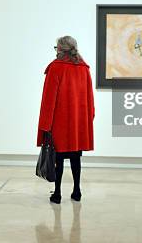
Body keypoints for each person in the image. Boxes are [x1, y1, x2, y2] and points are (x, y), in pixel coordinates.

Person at [37, 36, 95, 204]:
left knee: (59, 159)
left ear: (60, 49)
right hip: (78, 124)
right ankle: (77, 191)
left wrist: (45, 126)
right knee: (76, 157)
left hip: (59, 124)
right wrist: (88, 118)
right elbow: (90, 99)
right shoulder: (84, 68)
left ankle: (57, 193)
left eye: (56, 47)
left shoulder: (55, 68)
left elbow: (49, 101)